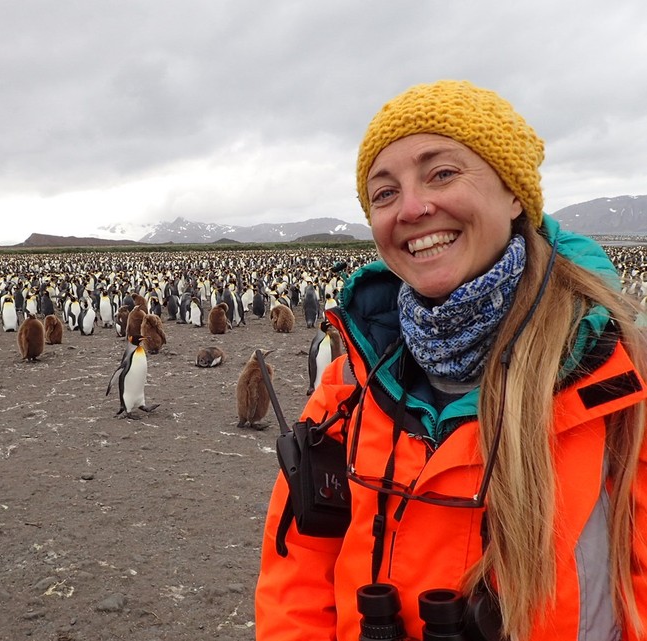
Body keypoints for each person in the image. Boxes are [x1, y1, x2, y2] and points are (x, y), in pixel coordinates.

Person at [254, 80, 647, 641]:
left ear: (515, 195)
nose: (412, 208)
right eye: (384, 193)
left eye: (442, 173)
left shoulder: (620, 380)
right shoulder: (351, 384)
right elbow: (298, 574)